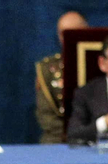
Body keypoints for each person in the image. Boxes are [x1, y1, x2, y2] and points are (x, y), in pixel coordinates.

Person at [35, 11, 89, 144]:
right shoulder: (47, 69)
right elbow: (46, 116)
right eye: (62, 34)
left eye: (71, 33)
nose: (66, 39)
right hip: (59, 139)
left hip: (96, 137)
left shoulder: (105, 64)